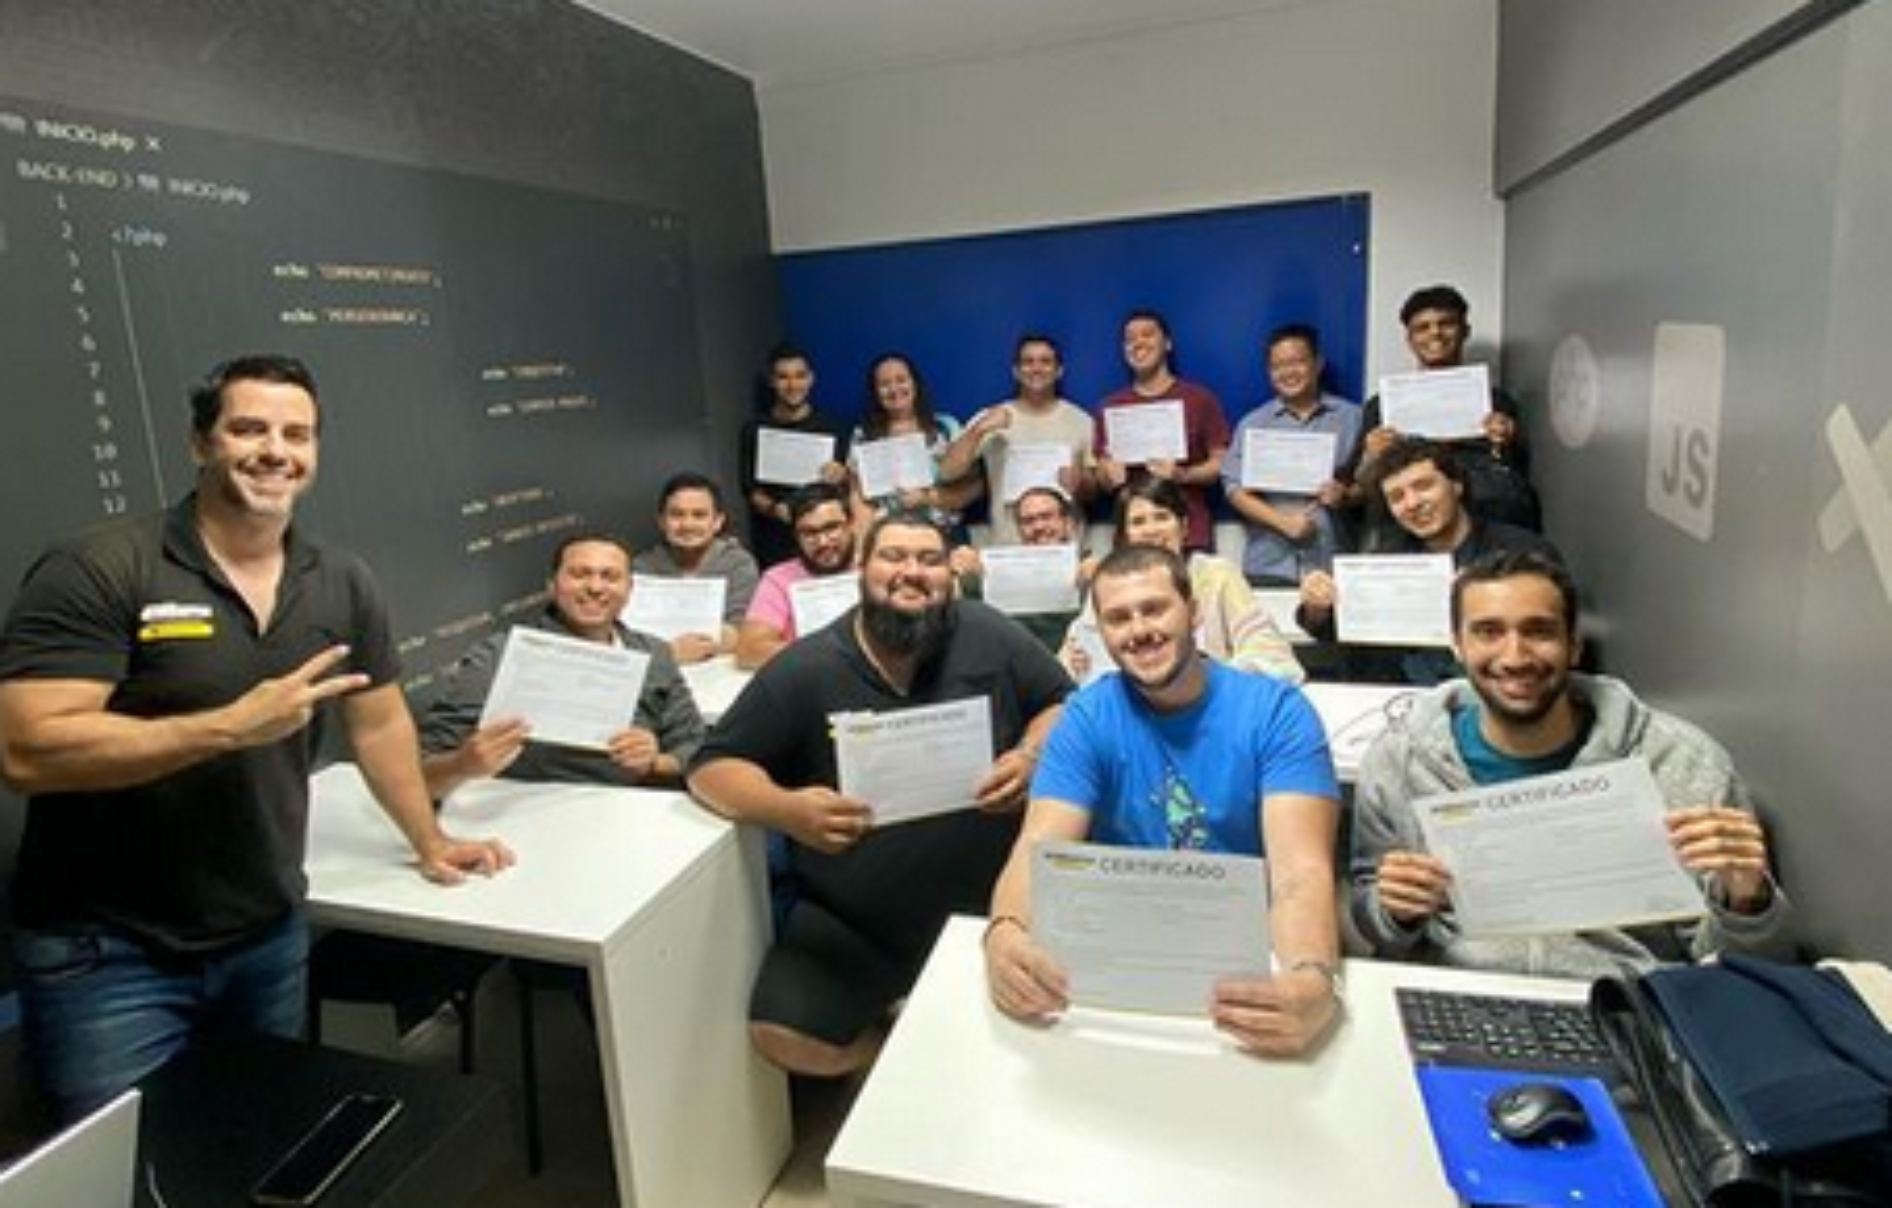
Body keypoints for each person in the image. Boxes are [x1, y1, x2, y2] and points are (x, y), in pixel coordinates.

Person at [0, 354, 512, 1119]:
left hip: (265, 932)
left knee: (255, 1141)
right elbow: (27, 751)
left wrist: (429, 840)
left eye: (296, 434)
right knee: (130, 1174)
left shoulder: (340, 580)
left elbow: (378, 724)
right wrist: (229, 727)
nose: (275, 451)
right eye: (248, 428)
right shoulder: (102, 567)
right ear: (200, 442)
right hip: (106, 954)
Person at [688, 510, 1070, 1077]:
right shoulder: (807, 665)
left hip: (998, 905)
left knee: (1053, 1026)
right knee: (782, 1036)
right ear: (862, 569)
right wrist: (786, 810)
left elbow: (1063, 702)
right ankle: (898, 1054)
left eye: (930, 559)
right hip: (857, 921)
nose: (911, 572)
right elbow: (710, 767)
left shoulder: (986, 631)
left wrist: (1029, 755)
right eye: (893, 556)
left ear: (952, 574)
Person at [1350, 550, 1794, 978]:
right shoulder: (1400, 760)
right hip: (1455, 987)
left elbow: (1741, 969)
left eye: (1539, 631)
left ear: (1574, 644)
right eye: (1488, 632)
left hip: (1624, 1000)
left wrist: (1746, 903)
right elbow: (1376, 921)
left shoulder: (1685, 762)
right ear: (1457, 646)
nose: (1514, 656)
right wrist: (1393, 911)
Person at [984, 544, 1343, 1056]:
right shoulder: (1085, 718)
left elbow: (1300, 873)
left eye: (1154, 609)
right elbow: (1038, 845)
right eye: (1118, 618)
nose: (1139, 630)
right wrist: (1004, 933)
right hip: (1123, 956)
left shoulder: (1276, 713)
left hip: (1249, 953)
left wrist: (1312, 979)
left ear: (1193, 613)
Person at [419, 531, 705, 795]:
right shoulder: (500, 656)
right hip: (524, 811)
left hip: (626, 809)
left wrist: (655, 762)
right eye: (580, 574)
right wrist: (462, 764)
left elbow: (696, 747)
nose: (595, 587)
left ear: (629, 590)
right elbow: (421, 770)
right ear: (552, 586)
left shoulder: (654, 654)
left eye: (610, 576)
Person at [1298, 438, 1560, 684]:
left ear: (1457, 486)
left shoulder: (1523, 552)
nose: (1412, 503)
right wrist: (1317, 608)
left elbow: (1546, 639)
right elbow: (1346, 636)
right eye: (1397, 497)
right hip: (1400, 698)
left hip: (1492, 693)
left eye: (1423, 486)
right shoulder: (1385, 560)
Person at [1343, 285, 1541, 536]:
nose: (1435, 333)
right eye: (1422, 327)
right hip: (1409, 528)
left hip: (1487, 521)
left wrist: (1507, 441)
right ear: (1410, 339)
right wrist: (1370, 457)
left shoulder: (1496, 402)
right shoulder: (1381, 406)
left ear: (1465, 331)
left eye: (1446, 323)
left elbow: (1518, 472)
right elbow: (1357, 489)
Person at [1062, 478, 1303, 683]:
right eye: (1138, 522)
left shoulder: (1217, 575)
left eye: (1161, 517)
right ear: (1124, 537)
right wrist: (1073, 664)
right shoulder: (1112, 583)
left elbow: (1271, 652)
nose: (1151, 530)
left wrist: (1207, 681)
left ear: (1184, 526)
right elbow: (1073, 655)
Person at [1222, 323, 1363, 586]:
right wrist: (1281, 522)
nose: (1288, 372)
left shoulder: (1352, 418)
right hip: (1269, 562)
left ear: (1318, 364)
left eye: (1297, 362)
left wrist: (1345, 495)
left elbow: (1369, 486)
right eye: (1278, 366)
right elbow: (1233, 488)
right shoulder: (1253, 423)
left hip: (1333, 560)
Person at [1091, 310, 1231, 553]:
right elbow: (1101, 476)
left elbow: (1222, 462)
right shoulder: (1110, 407)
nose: (1138, 343)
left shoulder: (1199, 399)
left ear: (1167, 343)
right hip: (1133, 534)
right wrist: (1107, 475)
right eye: (1130, 338)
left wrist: (1182, 474)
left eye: (1147, 335)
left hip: (1190, 534)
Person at [937, 334, 1094, 545]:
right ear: (1016, 371)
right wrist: (978, 430)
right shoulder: (990, 416)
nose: (1036, 368)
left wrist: (1081, 482)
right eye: (1027, 362)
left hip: (1066, 548)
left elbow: (1094, 491)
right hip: (1007, 547)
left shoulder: (1081, 420)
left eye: (1045, 362)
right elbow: (947, 472)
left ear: (1059, 371)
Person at [848, 353, 982, 541]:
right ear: (875, 392)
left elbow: (975, 486)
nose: (894, 389)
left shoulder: (946, 427)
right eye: (884, 384)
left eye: (901, 380)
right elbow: (858, 497)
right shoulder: (863, 436)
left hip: (945, 534)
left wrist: (928, 498)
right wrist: (861, 546)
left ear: (915, 383)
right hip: (888, 537)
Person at [632, 471, 760, 664]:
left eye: (699, 515)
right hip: (657, 666)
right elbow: (632, 637)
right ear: (661, 521)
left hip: (720, 667)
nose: (687, 524)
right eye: (676, 514)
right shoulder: (642, 567)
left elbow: (741, 630)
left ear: (717, 522)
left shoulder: (738, 564)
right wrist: (670, 652)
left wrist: (679, 646)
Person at [740, 344, 850, 568]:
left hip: (825, 536)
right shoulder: (754, 429)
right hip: (774, 540)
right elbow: (750, 489)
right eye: (783, 377)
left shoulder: (834, 427)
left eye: (800, 376)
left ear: (811, 379)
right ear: (772, 381)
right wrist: (774, 509)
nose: (792, 385)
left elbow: (849, 489)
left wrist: (843, 476)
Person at [736, 481, 857, 670]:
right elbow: (749, 650)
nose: (823, 542)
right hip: (807, 679)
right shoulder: (778, 579)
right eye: (809, 533)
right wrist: (831, 653)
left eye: (832, 527)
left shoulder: (876, 568)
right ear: (796, 536)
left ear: (850, 525)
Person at [952, 484, 1086, 652]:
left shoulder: (1089, 569)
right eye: (1028, 521)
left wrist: (1094, 581)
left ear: (1068, 522)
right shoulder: (991, 571)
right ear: (1018, 529)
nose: (1038, 527)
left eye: (1046, 517)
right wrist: (958, 571)